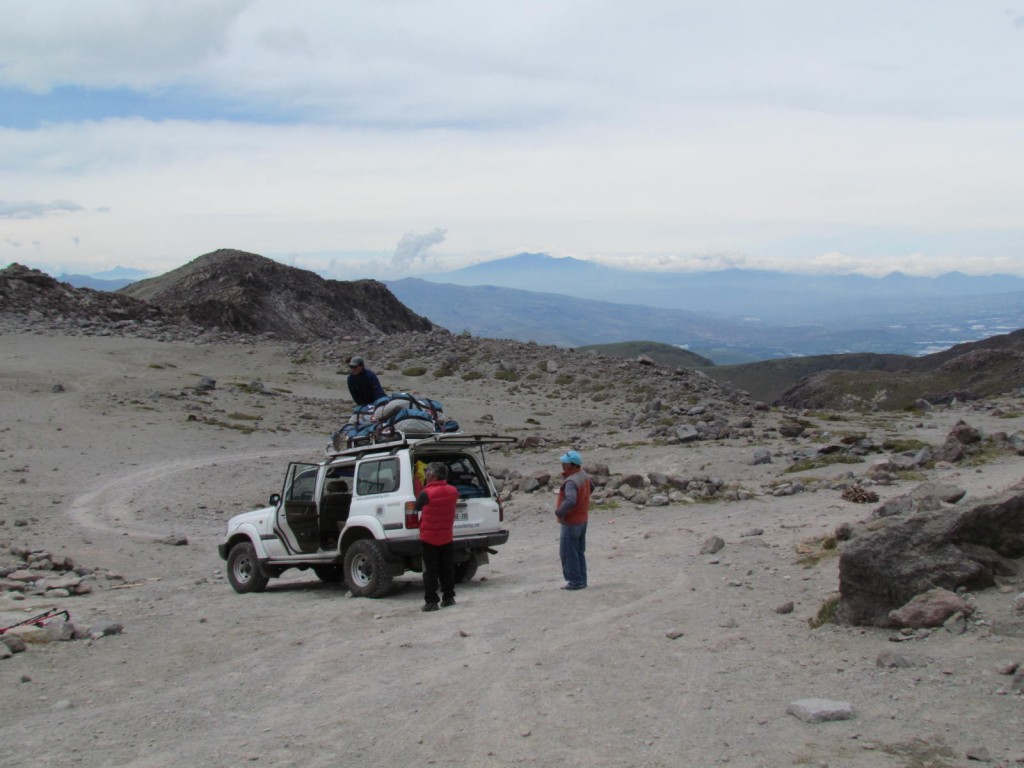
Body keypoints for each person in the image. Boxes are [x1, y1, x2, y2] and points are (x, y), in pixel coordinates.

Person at [415, 462, 459, 611]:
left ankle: (431, 601)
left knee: (430, 571)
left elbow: (416, 507)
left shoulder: (425, 493)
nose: (426, 474)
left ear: (433, 475)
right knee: (447, 568)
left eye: (427, 472)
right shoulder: (453, 491)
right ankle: (448, 597)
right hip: (446, 535)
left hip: (429, 538)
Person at [555, 449, 592, 591]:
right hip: (583, 519)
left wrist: (559, 512)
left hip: (572, 521)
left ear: (572, 465)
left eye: (565, 463)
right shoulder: (584, 476)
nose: (562, 466)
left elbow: (570, 500)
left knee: (568, 552)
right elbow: (591, 488)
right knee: (579, 551)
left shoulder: (571, 481)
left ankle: (575, 581)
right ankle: (581, 579)